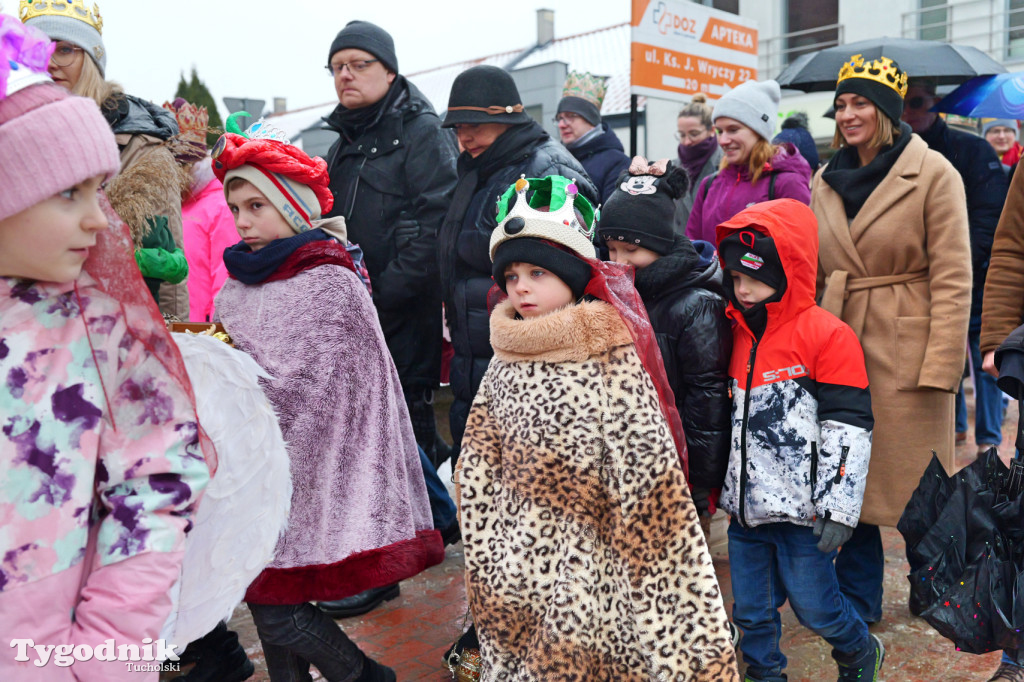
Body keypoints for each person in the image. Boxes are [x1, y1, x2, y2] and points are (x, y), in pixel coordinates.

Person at [455, 174, 739, 681]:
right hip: (515, 565)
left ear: (571, 275)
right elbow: (477, 467)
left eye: (538, 272)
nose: (521, 285)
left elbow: (649, 482)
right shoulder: (505, 358)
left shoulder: (607, 354)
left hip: (593, 561)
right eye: (513, 273)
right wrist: (491, 552)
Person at [0, 17, 210, 680]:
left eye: (98, 190)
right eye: (71, 193)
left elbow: (158, 477)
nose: (100, 217)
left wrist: (107, 657)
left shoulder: (95, 326)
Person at [210, 119, 444, 682]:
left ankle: (366, 676)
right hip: (253, 476)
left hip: (314, 477)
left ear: (291, 208)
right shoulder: (239, 282)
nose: (242, 222)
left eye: (256, 206)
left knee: (276, 605)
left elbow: (323, 390)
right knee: (269, 601)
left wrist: (235, 380)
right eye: (234, 207)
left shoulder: (327, 279)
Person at [812, 54, 971, 626]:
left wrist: (943, 365)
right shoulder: (823, 178)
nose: (848, 114)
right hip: (841, 340)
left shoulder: (934, 173)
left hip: (908, 344)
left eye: (860, 103)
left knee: (918, 488)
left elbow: (953, 275)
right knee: (847, 478)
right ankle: (861, 603)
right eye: (841, 104)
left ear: (887, 110)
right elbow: (814, 269)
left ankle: (941, 594)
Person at [716, 199, 879, 682]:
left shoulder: (828, 336)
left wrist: (839, 508)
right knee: (750, 612)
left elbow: (849, 427)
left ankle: (858, 649)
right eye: (736, 278)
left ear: (791, 270)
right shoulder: (735, 329)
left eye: (756, 278)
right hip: (746, 512)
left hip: (804, 513)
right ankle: (765, 675)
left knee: (817, 609)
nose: (743, 289)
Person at [438, 64, 598, 464]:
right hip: (474, 349)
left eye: (474, 124)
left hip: (526, 356)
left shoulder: (546, 169)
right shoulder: (479, 169)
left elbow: (567, 274)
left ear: (508, 119)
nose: (465, 136)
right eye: (457, 127)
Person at [323, 20, 456, 466]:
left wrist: (383, 293)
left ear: (390, 72)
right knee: (362, 437)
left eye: (359, 64)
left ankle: (434, 529)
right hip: (351, 310)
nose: (346, 75)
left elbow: (438, 224)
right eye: (337, 67)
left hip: (402, 315)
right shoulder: (342, 139)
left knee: (408, 440)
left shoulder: (421, 131)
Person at [22, 0, 191, 320]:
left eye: (66, 49)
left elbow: (167, 260)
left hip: (111, 329)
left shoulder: (139, 148)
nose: (51, 62)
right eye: (40, 49)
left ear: (92, 59)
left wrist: (173, 340)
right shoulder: (12, 133)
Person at [600, 158, 731, 533]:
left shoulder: (695, 305)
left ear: (660, 245)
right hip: (629, 461)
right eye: (610, 248)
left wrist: (701, 482)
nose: (618, 262)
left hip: (680, 470)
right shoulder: (616, 294)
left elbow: (707, 400)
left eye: (630, 250)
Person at [900, 79, 1008, 456]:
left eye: (916, 102)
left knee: (986, 361)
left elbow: (990, 218)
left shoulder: (972, 149)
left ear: (936, 104)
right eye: (901, 103)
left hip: (976, 276)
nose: (908, 111)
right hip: (920, 280)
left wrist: (958, 263)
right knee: (944, 360)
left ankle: (989, 440)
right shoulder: (894, 154)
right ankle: (956, 429)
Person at [685, 80, 811, 245]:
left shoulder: (787, 184)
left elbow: (797, 252)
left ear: (759, 132)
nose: (723, 140)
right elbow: (692, 247)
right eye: (719, 131)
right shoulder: (709, 185)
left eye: (733, 129)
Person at [163, 98, 238, 322]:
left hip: (203, 334)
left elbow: (226, 278)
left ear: (188, 166)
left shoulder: (220, 207)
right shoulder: (172, 203)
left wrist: (217, 333)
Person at [555, 70, 629, 203]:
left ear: (591, 120)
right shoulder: (556, 158)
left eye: (571, 116)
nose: (561, 124)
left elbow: (611, 216)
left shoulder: (617, 163)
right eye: (560, 118)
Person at [672, 93, 723, 235]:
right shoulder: (671, 169)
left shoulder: (726, 165)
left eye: (694, 134)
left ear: (712, 130)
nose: (687, 141)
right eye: (682, 135)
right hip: (680, 252)